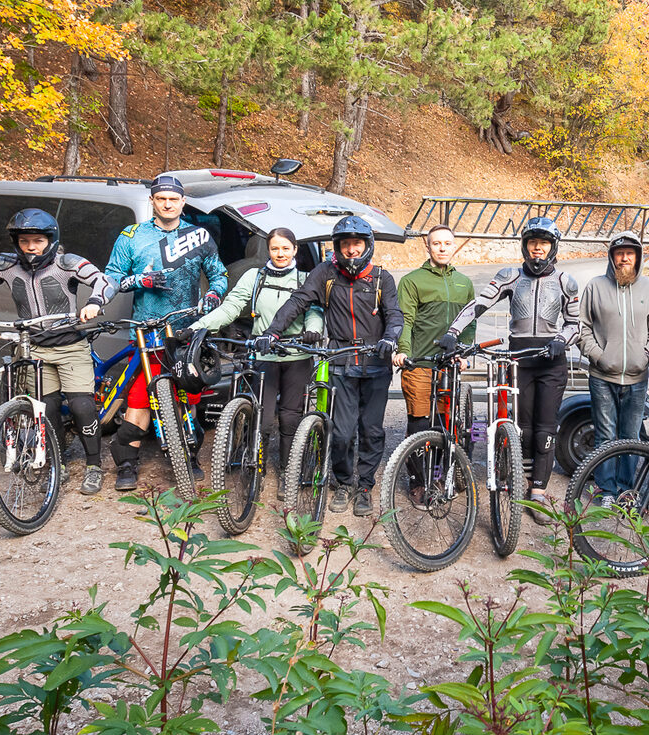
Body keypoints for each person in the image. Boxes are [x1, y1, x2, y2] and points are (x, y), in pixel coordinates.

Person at [0, 208, 116, 496]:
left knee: (82, 406)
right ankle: (58, 463)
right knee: (47, 409)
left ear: (51, 240)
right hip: (34, 348)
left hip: (70, 345)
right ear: (15, 242)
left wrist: (94, 302)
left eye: (38, 241)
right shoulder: (3, 264)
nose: (31, 247)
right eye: (24, 241)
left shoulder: (67, 263)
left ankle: (94, 465)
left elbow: (105, 281)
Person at [257, 215, 401, 517]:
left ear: (367, 245)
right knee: (342, 432)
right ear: (337, 246)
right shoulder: (326, 272)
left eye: (357, 244)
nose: (351, 250)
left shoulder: (381, 278)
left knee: (372, 430)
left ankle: (365, 487)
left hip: (376, 363)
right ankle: (344, 482)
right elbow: (299, 301)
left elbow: (394, 314)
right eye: (345, 244)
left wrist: (390, 338)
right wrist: (273, 331)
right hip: (340, 362)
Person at [440, 216, 579, 513]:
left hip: (551, 360)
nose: (537, 249)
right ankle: (524, 479)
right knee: (524, 427)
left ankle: (538, 492)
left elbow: (576, 324)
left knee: (546, 428)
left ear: (553, 247)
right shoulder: (510, 276)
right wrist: (452, 332)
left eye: (543, 243)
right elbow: (479, 303)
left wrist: (561, 340)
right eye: (532, 243)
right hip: (520, 359)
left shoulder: (566, 281)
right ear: (525, 247)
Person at [103, 174, 228, 491]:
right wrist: (138, 281)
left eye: (174, 199)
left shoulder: (200, 236)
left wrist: (213, 296)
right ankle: (127, 466)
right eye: (162, 199)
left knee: (188, 397)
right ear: (153, 201)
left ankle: (189, 455)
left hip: (186, 333)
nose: (168, 204)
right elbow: (112, 278)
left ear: (183, 202)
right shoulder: (132, 236)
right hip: (146, 333)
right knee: (139, 400)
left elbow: (220, 276)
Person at [189, 227, 322, 498]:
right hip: (264, 355)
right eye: (275, 249)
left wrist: (314, 330)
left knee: (289, 417)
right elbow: (231, 306)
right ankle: (256, 467)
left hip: (297, 355)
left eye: (286, 248)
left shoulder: (305, 278)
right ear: (267, 251)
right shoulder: (255, 276)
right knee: (262, 417)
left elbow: (314, 310)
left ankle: (288, 471)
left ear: (295, 250)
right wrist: (199, 326)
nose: (281, 253)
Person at [576, 231, 649, 498]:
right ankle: (606, 491)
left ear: (638, 257)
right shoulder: (595, 286)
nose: (624, 258)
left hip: (637, 376)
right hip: (602, 375)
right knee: (605, 436)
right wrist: (598, 356)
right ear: (612, 257)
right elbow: (582, 328)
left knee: (632, 437)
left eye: (630, 253)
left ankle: (627, 491)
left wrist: (645, 354)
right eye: (619, 253)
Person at [394, 224, 475, 443]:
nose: (442, 249)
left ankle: (438, 474)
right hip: (419, 362)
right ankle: (417, 477)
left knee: (443, 423)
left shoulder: (464, 283)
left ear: (454, 247)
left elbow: (470, 322)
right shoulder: (412, 280)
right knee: (419, 423)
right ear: (428, 247)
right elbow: (405, 320)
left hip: (448, 365)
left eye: (447, 244)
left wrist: (464, 353)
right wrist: (403, 351)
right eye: (437, 244)